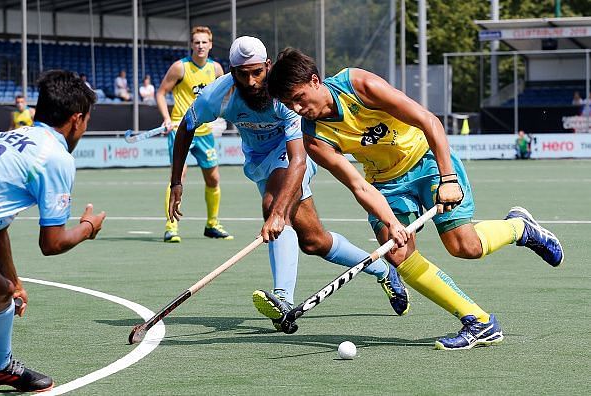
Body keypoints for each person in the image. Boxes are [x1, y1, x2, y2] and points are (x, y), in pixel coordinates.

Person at [267, 48, 564, 350]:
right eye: (290, 103)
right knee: (397, 253)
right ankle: (479, 321)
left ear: (315, 81)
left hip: (426, 161)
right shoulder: (314, 137)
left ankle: (520, 228)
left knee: (465, 247)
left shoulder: (357, 85)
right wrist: (391, 222)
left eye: (299, 97)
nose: (297, 107)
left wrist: (448, 178)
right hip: (384, 182)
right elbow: (358, 185)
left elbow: (428, 120)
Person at [169, 37, 409, 330]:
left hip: (293, 156)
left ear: (268, 66)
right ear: (231, 72)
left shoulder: (285, 96)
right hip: (259, 164)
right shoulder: (217, 95)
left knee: (273, 205)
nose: (252, 81)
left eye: (257, 72)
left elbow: (298, 159)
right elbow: (186, 126)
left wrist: (279, 212)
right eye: (242, 74)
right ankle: (383, 269)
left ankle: (283, 298)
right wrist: (176, 183)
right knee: (314, 241)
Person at [0, 70, 106, 391]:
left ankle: (1, 367)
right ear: (76, 119)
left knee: (2, 291)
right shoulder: (55, 157)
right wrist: (88, 227)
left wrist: (15, 283)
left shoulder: (10, 138)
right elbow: (52, 243)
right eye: (86, 121)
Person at [156, 26, 231, 242]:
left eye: (204, 42)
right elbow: (161, 93)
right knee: (179, 176)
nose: (200, 46)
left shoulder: (216, 69)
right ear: (191, 44)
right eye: (196, 42)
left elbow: (227, 95)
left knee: (213, 178)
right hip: (182, 130)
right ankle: (171, 226)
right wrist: (167, 118)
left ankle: (212, 224)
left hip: (205, 131)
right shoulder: (180, 68)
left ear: (210, 44)